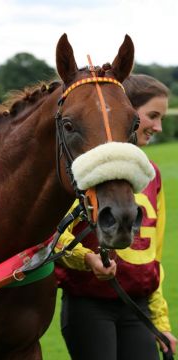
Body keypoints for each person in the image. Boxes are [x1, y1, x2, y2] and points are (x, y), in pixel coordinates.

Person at [54, 74, 177, 360]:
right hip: (90, 306)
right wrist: (87, 259)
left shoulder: (152, 174)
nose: (158, 127)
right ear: (127, 114)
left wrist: (161, 324)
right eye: (152, 116)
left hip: (138, 308)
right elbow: (55, 237)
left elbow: (153, 256)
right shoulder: (85, 173)